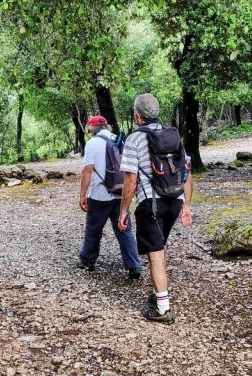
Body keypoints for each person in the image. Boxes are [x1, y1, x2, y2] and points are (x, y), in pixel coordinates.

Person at [117, 94, 194, 323]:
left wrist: (123, 210)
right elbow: (187, 170)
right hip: (174, 200)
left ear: (137, 116)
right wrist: (187, 204)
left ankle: (162, 308)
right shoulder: (172, 135)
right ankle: (160, 295)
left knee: (155, 255)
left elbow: (131, 179)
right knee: (158, 249)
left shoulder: (134, 139)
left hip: (150, 203)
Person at [77, 115, 143, 279]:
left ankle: (87, 260)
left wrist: (82, 194)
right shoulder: (120, 139)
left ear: (92, 129)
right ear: (107, 127)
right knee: (124, 228)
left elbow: (87, 170)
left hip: (99, 195)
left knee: (93, 228)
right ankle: (134, 265)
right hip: (121, 193)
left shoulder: (92, 143)